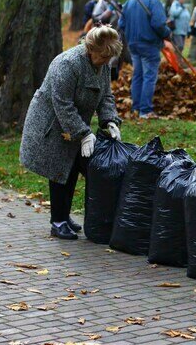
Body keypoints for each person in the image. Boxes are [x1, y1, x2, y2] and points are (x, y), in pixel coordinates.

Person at [19, 26, 123, 240]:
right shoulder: (67, 64)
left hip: (74, 121)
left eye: (109, 58)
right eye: (103, 56)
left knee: (74, 167)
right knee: (59, 170)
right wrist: (83, 133)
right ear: (90, 49)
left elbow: (106, 96)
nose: (106, 61)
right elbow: (62, 104)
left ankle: (64, 217)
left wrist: (110, 120)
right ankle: (57, 222)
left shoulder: (101, 64)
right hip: (52, 122)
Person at [120, 0, 171, 117]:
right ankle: (145, 110)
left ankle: (136, 108)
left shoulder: (129, 2)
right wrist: (168, 33)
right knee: (149, 76)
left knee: (138, 75)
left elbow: (121, 24)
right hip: (149, 44)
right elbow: (158, 24)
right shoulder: (153, 2)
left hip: (133, 45)